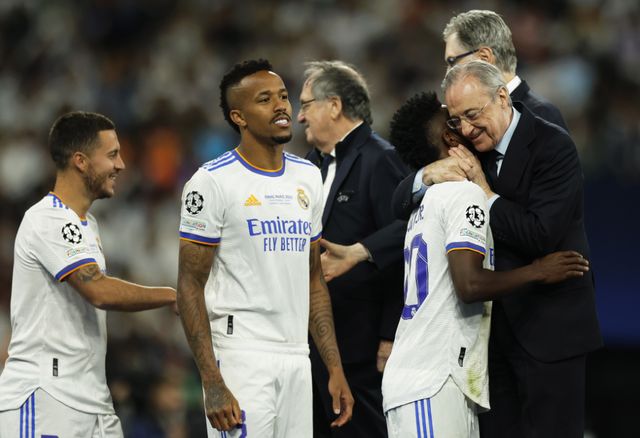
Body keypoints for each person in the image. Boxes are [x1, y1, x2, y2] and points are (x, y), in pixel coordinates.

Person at [381, 91, 590, 438]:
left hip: (436, 375)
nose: (466, 126)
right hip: (433, 376)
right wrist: (538, 271)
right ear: (450, 138)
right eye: (454, 121)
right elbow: (470, 285)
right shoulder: (462, 194)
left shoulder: (427, 198)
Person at [177, 59, 353, 437]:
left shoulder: (307, 177)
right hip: (241, 357)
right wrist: (212, 381)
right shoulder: (212, 182)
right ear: (238, 117)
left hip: (297, 358)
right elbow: (189, 285)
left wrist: (334, 367)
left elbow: (313, 280)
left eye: (283, 96)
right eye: (264, 99)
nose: (280, 106)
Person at [442, 60, 601, 437]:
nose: (466, 128)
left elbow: (540, 234)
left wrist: (484, 193)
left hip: (550, 331)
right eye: (456, 120)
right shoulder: (469, 147)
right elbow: (403, 196)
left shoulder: (552, 145)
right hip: (493, 338)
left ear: (502, 97)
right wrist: (426, 176)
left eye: (472, 114)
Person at [0, 111, 177, 437]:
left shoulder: (88, 225)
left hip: (90, 397)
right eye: (112, 155)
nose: (121, 164)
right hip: (45, 396)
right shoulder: (47, 219)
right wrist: (171, 295)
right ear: (80, 161)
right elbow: (99, 291)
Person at [298, 60, 408, 438]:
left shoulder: (380, 158)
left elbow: (407, 237)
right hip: (314, 345)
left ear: (334, 105)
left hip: (363, 347)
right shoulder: (306, 168)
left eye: (306, 105)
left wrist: (389, 334)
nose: (299, 116)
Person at [392, 9, 568, 221]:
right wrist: (427, 174)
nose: (447, 73)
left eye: (452, 62)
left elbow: (548, 219)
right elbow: (399, 205)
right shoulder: (469, 125)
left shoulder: (541, 116)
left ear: (484, 58)